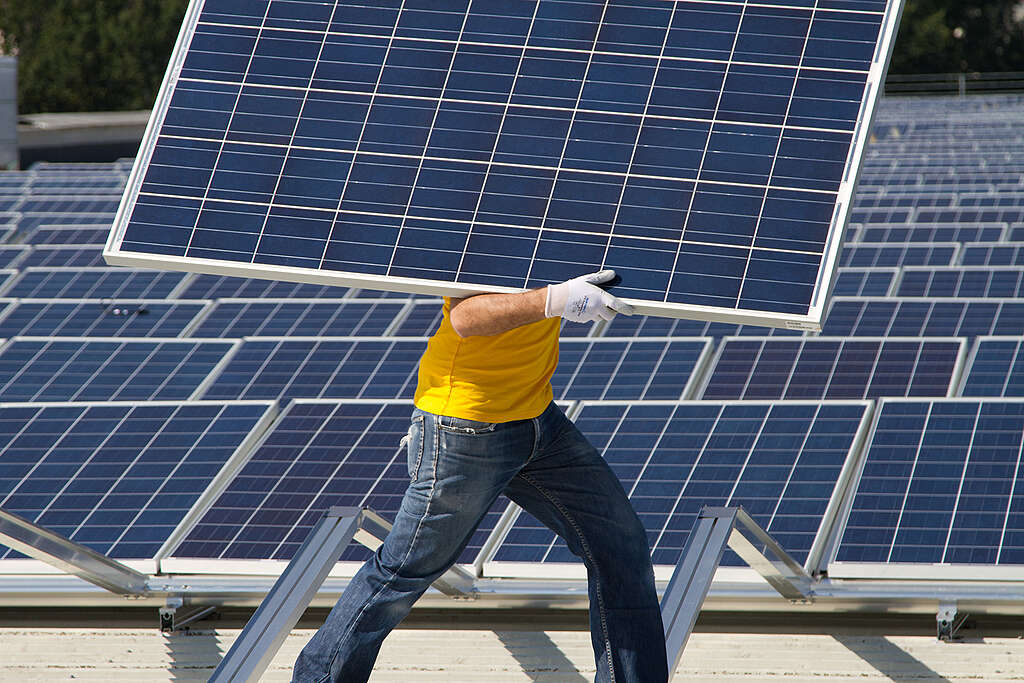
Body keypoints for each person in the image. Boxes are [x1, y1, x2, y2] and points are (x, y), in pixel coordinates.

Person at [292, 269, 669, 683]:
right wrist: (555, 300)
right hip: (466, 428)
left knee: (620, 546)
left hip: (538, 418)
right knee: (404, 570)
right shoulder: (488, 232)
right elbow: (466, 317)